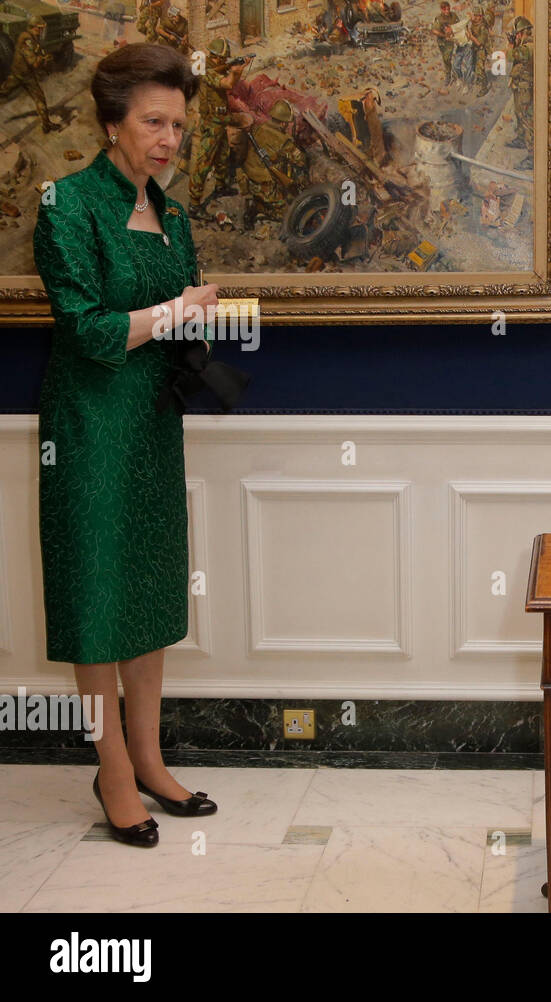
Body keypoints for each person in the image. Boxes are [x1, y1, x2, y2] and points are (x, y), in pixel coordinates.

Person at [33, 42, 221, 848]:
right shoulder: (66, 206)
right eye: (153, 121)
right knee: (97, 594)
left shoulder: (173, 212)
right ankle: (109, 766)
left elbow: (166, 318)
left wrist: (194, 320)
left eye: (177, 123)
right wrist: (179, 311)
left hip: (151, 422)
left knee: (146, 589)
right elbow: (86, 329)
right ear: (113, 123)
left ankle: (149, 758)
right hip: (88, 424)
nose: (168, 137)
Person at [188, 37, 247, 217]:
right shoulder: (206, 71)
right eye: (222, 59)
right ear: (215, 57)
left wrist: (232, 67)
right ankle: (194, 205)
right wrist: (237, 72)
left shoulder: (211, 67)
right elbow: (228, 84)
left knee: (222, 155)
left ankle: (220, 186)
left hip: (220, 120)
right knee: (203, 163)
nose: (224, 61)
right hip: (212, 122)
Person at [239, 99, 308, 229]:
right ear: (282, 123)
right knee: (290, 216)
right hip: (264, 184)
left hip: (249, 177)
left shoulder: (259, 128)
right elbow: (301, 161)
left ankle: (260, 201)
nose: (288, 125)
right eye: (287, 123)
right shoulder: (283, 140)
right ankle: (258, 208)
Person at [0, 18, 62, 133]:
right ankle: (46, 124)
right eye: (40, 28)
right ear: (34, 27)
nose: (42, 31)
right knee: (3, 92)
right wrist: (44, 60)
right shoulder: (26, 39)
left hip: (25, 74)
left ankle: (46, 125)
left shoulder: (33, 38)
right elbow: (33, 62)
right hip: (20, 74)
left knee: (40, 98)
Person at [505, 15, 532, 169]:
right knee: (520, 115)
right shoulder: (525, 45)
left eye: (517, 34)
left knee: (528, 120)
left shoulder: (528, 47)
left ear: (521, 33)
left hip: (525, 88)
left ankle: (532, 157)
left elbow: (509, 56)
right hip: (520, 86)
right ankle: (521, 139)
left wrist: (510, 44)